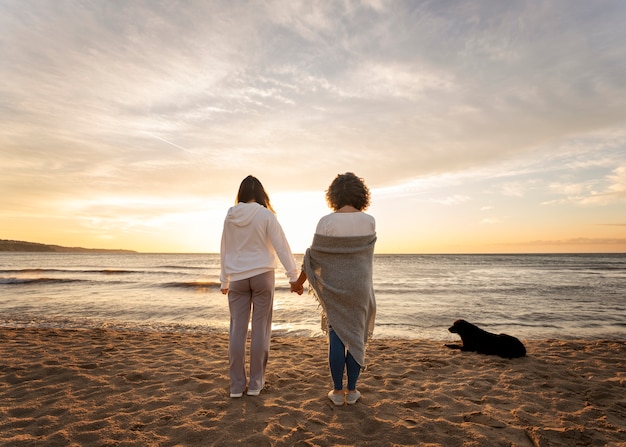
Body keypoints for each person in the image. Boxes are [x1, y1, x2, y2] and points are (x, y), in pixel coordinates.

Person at [292, 172, 376, 406]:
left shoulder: (326, 222)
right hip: (359, 287)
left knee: (336, 337)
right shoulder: (369, 221)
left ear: (334, 195)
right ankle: (353, 391)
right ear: (361, 195)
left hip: (333, 287)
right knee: (357, 339)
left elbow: (314, 257)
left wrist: (299, 283)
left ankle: (337, 392)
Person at [220, 175, 301, 398]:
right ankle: (256, 384)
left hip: (237, 277)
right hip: (263, 276)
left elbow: (224, 247)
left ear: (241, 193)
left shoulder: (230, 215)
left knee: (237, 330)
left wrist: (224, 279)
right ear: (262, 194)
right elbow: (282, 246)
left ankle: (236, 386)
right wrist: (293, 277)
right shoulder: (266, 215)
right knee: (260, 330)